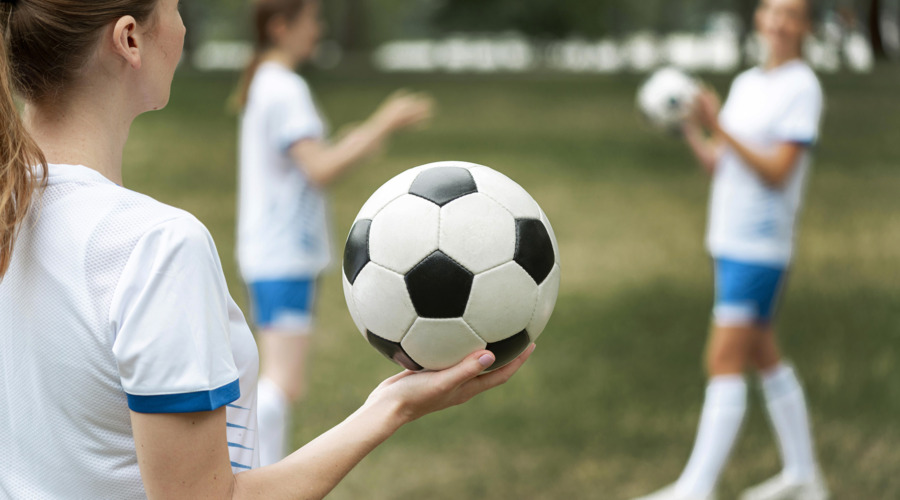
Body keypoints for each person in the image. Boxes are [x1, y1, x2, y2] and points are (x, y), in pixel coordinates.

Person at [0, 0, 531, 498]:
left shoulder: (15, 212)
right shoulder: (153, 247)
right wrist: (390, 409)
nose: (183, 27)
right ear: (130, 39)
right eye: (176, 6)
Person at [634, 1, 827, 499]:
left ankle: (695, 489)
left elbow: (777, 171)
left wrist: (720, 125)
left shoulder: (802, 86)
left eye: (792, 14)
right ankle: (805, 477)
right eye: (772, 10)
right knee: (763, 353)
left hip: (761, 244)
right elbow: (722, 164)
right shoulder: (747, 83)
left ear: (806, 27)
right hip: (728, 237)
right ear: (760, 17)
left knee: (723, 359)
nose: (779, 22)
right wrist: (693, 129)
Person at [233, 0, 434, 466]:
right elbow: (319, 168)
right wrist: (383, 123)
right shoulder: (283, 87)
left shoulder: (267, 80)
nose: (319, 28)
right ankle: (256, 482)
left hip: (274, 252)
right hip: (282, 254)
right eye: (313, 19)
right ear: (282, 26)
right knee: (282, 383)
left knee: (282, 380)